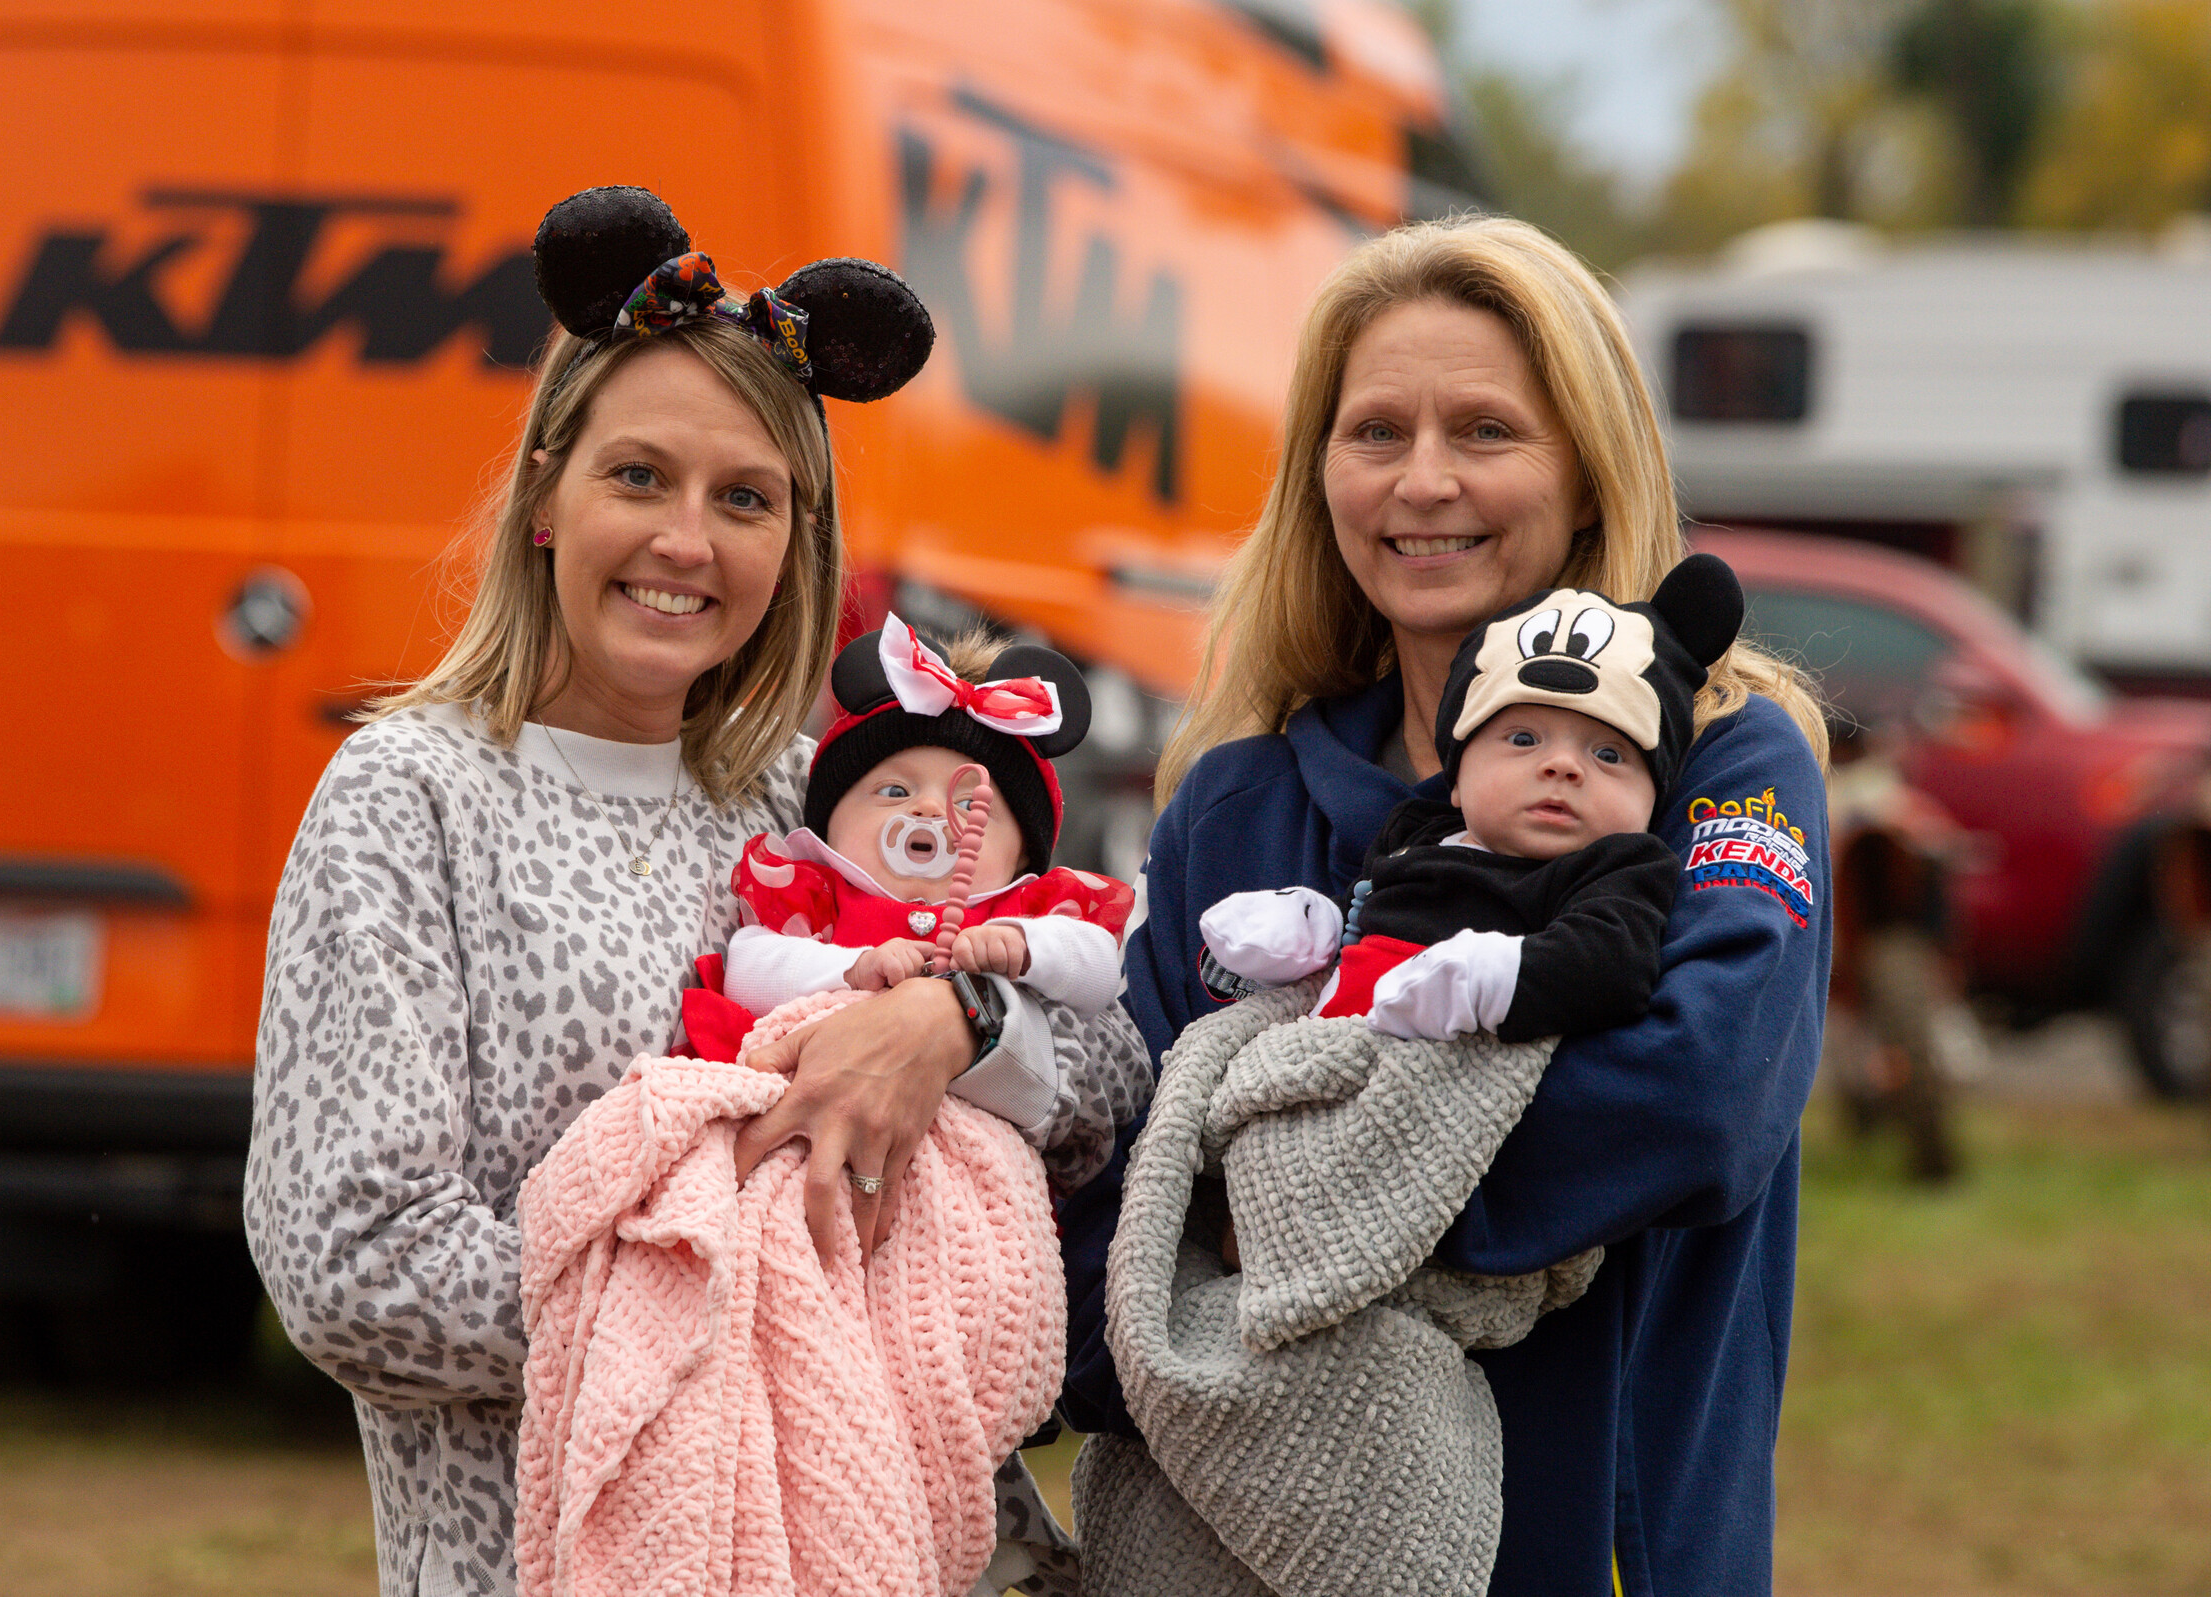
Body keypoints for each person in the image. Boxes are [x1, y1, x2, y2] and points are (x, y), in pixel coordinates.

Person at [243, 184, 1150, 1597]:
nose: (687, 540)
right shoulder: (412, 797)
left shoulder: (816, 796)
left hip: (905, 1550)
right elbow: (352, 1260)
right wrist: (755, 1315)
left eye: (745, 499)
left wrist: (954, 1025)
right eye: (638, 477)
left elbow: (1108, 1077)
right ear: (547, 492)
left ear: (798, 543)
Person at [1059, 214, 1832, 1596]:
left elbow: (1698, 1100)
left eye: (1485, 431)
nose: (1424, 482)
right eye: (1376, 433)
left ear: (1589, 469)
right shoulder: (1233, 805)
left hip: (1606, 1551)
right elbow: (1131, 1187)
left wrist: (1285, 1207)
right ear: (1320, 477)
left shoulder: (1724, 761)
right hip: (1256, 1549)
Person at [1196, 557, 1743, 1046]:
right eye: (1524, 739)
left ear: (1653, 799)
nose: (1563, 766)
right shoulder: (1418, 832)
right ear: (1456, 777)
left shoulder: (1616, 870)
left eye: (1609, 753)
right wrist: (1310, 926)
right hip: (1327, 1041)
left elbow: (1609, 966)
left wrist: (1489, 982)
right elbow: (1365, 911)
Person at [682, 613, 1134, 1067]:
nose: (931, 810)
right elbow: (746, 969)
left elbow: (1100, 971)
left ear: (1020, 859)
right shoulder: (822, 897)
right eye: (895, 791)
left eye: (971, 805)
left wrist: (1028, 945)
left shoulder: (1018, 914)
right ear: (829, 829)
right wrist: (851, 968)